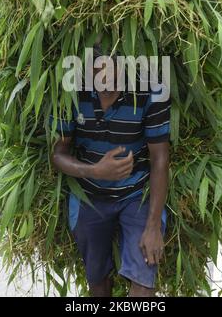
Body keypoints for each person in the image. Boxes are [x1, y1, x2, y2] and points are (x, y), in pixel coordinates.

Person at [51, 47, 171, 297]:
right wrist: (95, 170)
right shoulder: (70, 93)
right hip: (88, 196)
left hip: (136, 195)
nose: (108, 83)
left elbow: (160, 157)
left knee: (143, 278)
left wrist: (152, 226)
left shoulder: (150, 91)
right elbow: (58, 154)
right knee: (97, 281)